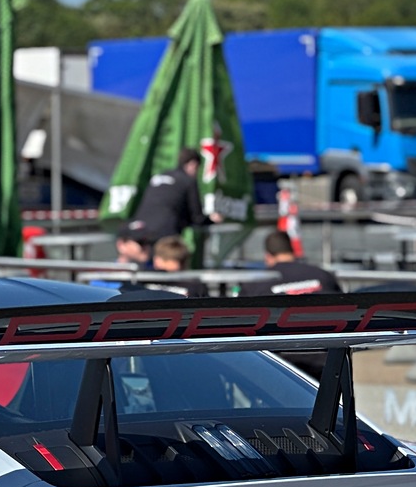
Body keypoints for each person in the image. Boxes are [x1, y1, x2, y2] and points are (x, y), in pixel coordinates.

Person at [242, 230, 343, 377]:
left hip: (280, 367)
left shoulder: (256, 284)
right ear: (292, 251)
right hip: (329, 362)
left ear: (268, 257)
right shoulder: (323, 275)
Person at [128, 148, 222, 259]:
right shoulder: (188, 181)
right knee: (168, 268)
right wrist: (211, 220)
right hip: (165, 234)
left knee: (143, 271)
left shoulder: (158, 177)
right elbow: (197, 218)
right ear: (193, 164)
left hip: (138, 232)